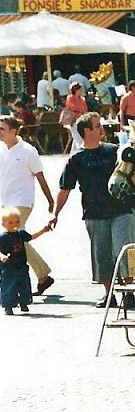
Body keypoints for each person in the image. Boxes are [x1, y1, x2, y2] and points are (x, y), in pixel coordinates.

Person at [51, 112, 135, 308]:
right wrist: (55, 214)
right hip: (94, 213)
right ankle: (109, 294)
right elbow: (65, 188)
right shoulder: (76, 158)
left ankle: (128, 293)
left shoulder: (113, 151)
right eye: (97, 126)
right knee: (102, 255)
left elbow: (132, 174)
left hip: (120, 209)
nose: (102, 129)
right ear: (86, 131)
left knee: (124, 251)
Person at [0, 115, 55, 296]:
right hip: (5, 203)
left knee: (14, 238)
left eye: (2, 129)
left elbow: (40, 176)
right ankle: (43, 275)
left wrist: (50, 200)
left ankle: (41, 275)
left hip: (22, 202)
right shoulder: (1, 149)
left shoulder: (28, 151)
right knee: (17, 240)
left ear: (13, 131)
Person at [0, 207, 51, 315]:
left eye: (17, 221)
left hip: (21, 266)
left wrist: (43, 231)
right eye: (10, 222)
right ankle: (8, 306)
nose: (14, 224)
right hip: (8, 268)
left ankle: (24, 303)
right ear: (3, 224)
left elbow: (31, 237)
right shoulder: (3, 237)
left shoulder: (21, 234)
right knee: (9, 287)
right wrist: (2, 256)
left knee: (24, 285)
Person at [65, 81, 88, 154]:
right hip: (73, 120)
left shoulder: (82, 99)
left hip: (81, 120)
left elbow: (85, 109)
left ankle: (73, 154)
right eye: (80, 89)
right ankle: (82, 152)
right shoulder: (70, 98)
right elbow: (72, 107)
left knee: (77, 138)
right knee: (78, 138)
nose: (81, 91)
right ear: (76, 90)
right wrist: (79, 111)